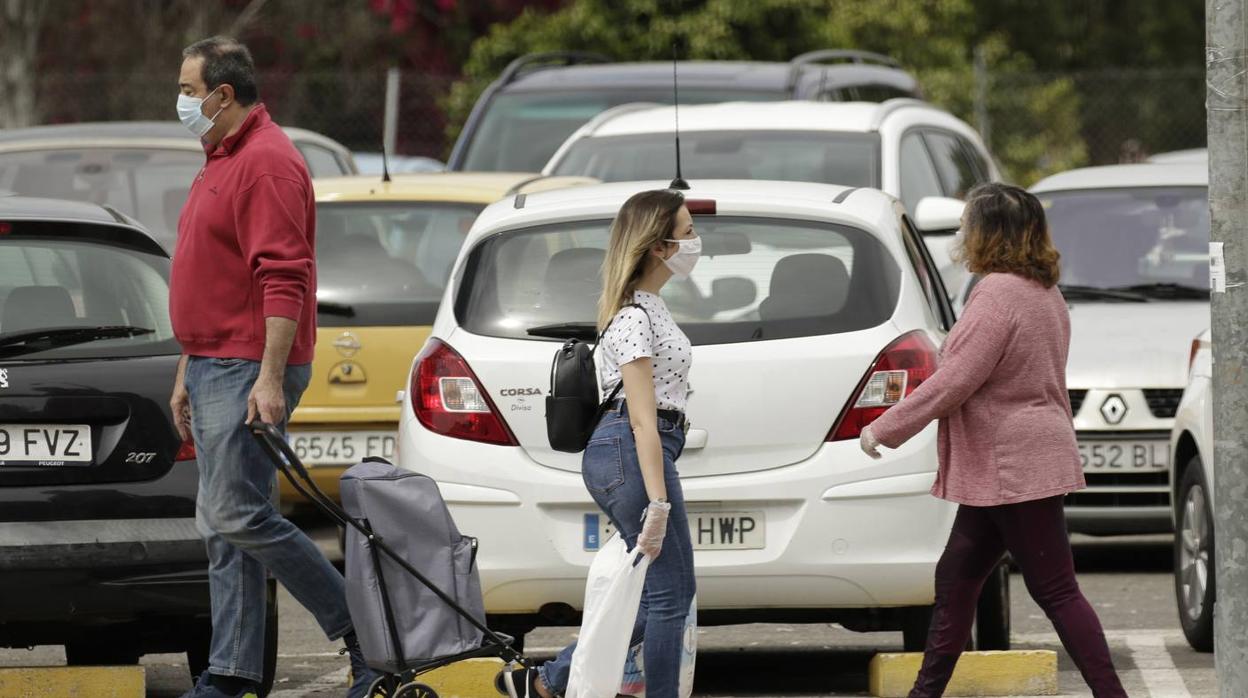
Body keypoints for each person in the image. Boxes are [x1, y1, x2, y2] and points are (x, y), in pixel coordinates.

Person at [168, 37, 378, 698]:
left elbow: (284, 279)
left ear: (222, 95)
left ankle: (365, 631)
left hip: (244, 367)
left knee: (235, 516)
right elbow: (214, 276)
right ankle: (231, 672)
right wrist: (186, 365)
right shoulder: (222, 157)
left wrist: (267, 376)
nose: (180, 101)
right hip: (212, 362)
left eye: (186, 89)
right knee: (224, 530)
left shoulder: (266, 162)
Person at [860, 183, 1127, 698]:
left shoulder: (998, 294)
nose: (962, 233)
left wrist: (885, 427)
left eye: (968, 224)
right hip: (1011, 462)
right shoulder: (1042, 291)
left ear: (989, 234)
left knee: (1055, 590)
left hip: (1011, 464)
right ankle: (925, 692)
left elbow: (955, 380)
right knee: (956, 579)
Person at [499, 190, 699, 698]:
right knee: (671, 593)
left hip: (636, 453)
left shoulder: (651, 306)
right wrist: (657, 501)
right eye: (688, 229)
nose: (696, 240)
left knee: (654, 595)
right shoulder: (633, 315)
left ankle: (547, 681)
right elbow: (640, 418)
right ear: (659, 245)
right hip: (627, 453)